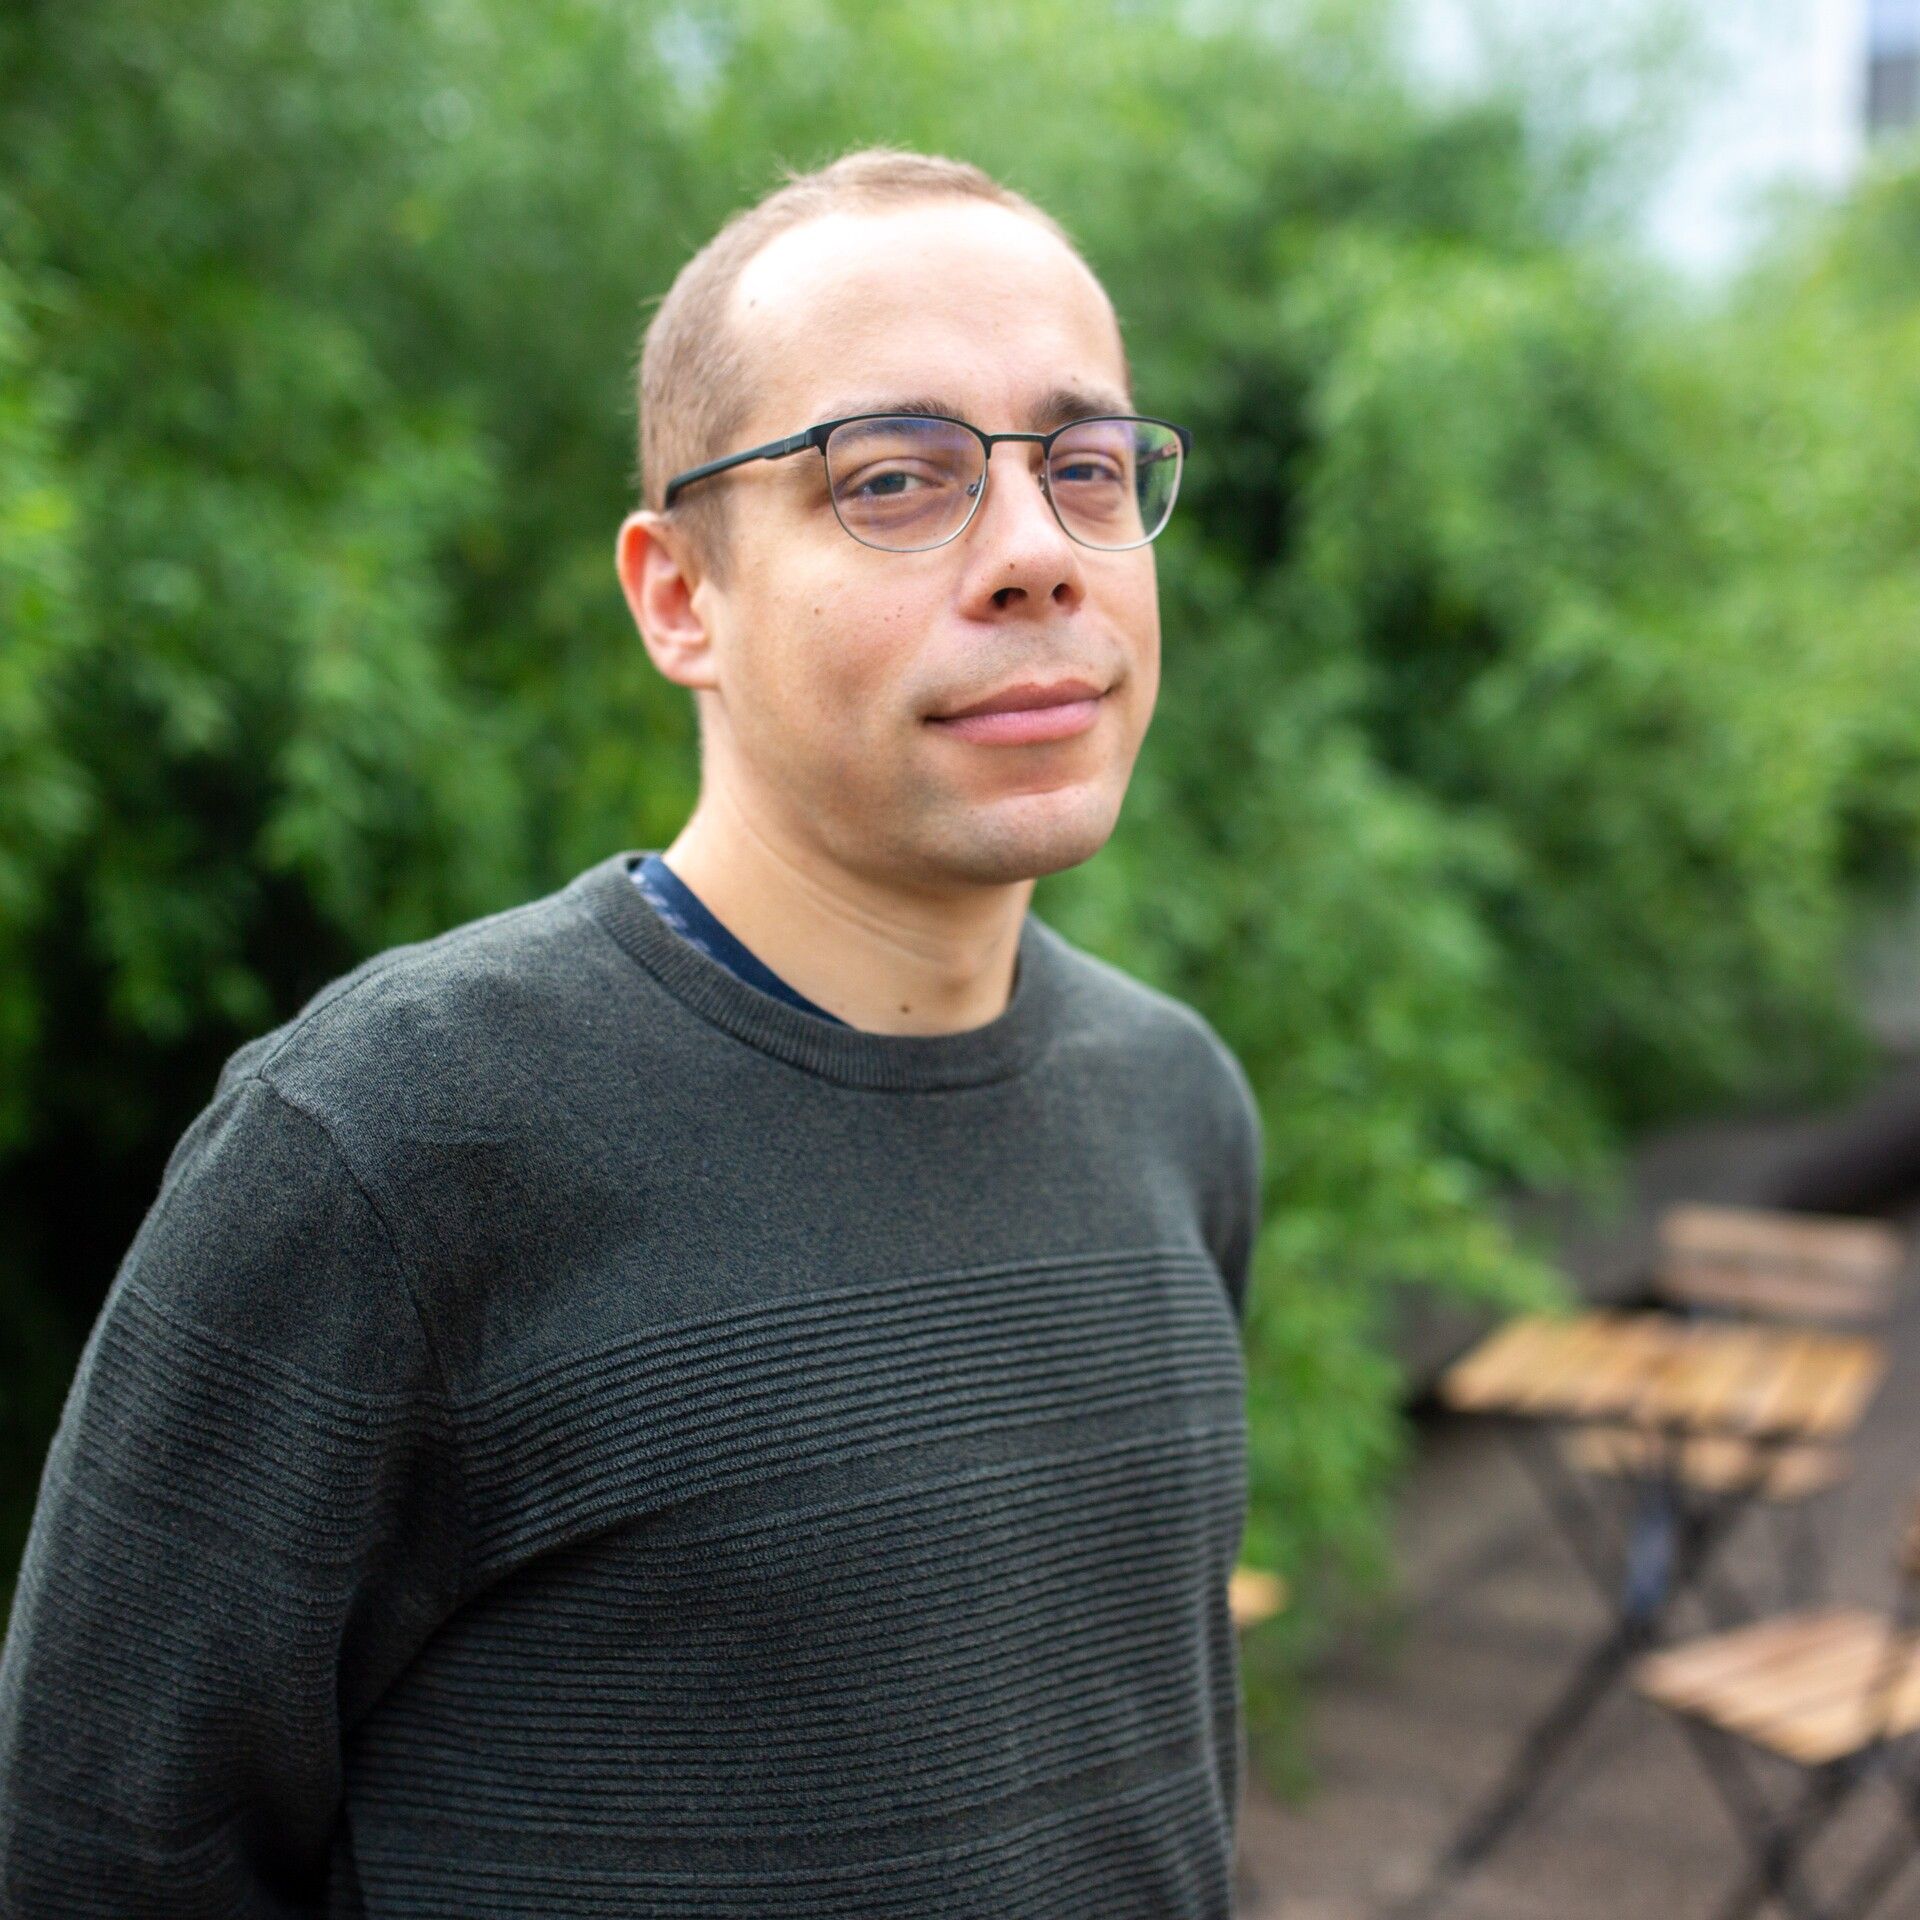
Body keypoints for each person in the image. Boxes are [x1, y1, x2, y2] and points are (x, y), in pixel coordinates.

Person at [0, 144, 1264, 1917]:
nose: (1038, 557)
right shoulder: (390, 1146)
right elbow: (99, 1863)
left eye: (1088, 467)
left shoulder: (1176, 1106)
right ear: (681, 596)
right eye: (894, 479)